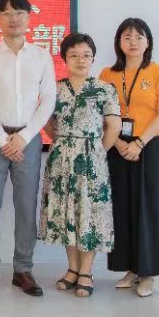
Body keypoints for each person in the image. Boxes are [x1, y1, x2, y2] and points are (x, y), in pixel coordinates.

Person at [0, 0, 56, 297]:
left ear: (29, 17)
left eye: (19, 12)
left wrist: (25, 136)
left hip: (29, 141)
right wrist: (2, 139)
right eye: (6, 13)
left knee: (25, 205)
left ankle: (23, 269)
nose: (14, 18)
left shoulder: (41, 56)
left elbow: (48, 100)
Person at [39, 33, 121, 298]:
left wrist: (96, 150)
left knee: (89, 214)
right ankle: (72, 269)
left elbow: (114, 126)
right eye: (74, 55)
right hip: (61, 159)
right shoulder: (54, 88)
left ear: (93, 58)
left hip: (91, 160)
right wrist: (64, 142)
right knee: (67, 214)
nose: (81, 60)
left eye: (86, 55)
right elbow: (47, 123)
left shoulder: (104, 89)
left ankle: (86, 271)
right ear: (64, 58)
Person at [99, 18, 159, 298]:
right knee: (122, 208)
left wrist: (140, 142)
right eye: (127, 37)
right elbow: (100, 114)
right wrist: (119, 143)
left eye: (138, 37)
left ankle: (147, 274)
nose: (133, 42)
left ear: (148, 42)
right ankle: (131, 268)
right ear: (118, 42)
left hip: (149, 146)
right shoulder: (107, 74)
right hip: (117, 147)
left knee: (148, 208)